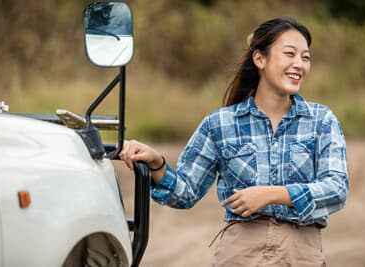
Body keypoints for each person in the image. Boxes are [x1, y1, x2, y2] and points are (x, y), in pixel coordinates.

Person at [119, 17, 349, 266]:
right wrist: (156, 163)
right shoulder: (219, 123)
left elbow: (336, 189)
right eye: (289, 54)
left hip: (302, 252)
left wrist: (271, 194)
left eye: (305, 57)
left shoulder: (321, 120)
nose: (299, 64)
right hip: (239, 253)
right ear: (260, 59)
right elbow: (184, 194)